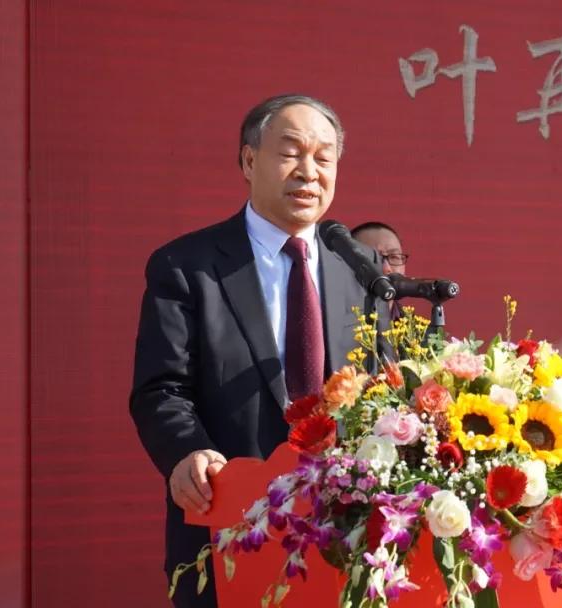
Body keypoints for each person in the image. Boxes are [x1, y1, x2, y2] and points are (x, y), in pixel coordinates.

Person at [129, 94, 389, 608]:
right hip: (230, 529)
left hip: (348, 540)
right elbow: (162, 389)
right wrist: (187, 452)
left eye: (324, 157)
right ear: (249, 160)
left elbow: (385, 385)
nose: (309, 172)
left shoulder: (360, 268)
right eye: (291, 152)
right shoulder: (188, 265)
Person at [353, 221, 409, 320]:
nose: (386, 268)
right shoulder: (328, 327)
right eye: (372, 258)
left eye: (394, 257)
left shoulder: (419, 332)